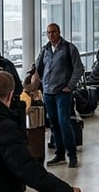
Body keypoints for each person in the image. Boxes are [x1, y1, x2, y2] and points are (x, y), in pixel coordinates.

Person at [32, 23, 84, 168]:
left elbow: (79, 68)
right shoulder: (45, 50)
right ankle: (59, 154)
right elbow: (39, 68)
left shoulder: (69, 48)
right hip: (48, 92)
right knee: (54, 124)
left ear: (59, 32)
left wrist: (70, 86)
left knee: (64, 122)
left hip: (63, 93)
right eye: (48, 33)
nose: (51, 35)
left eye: (53, 32)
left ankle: (72, 155)